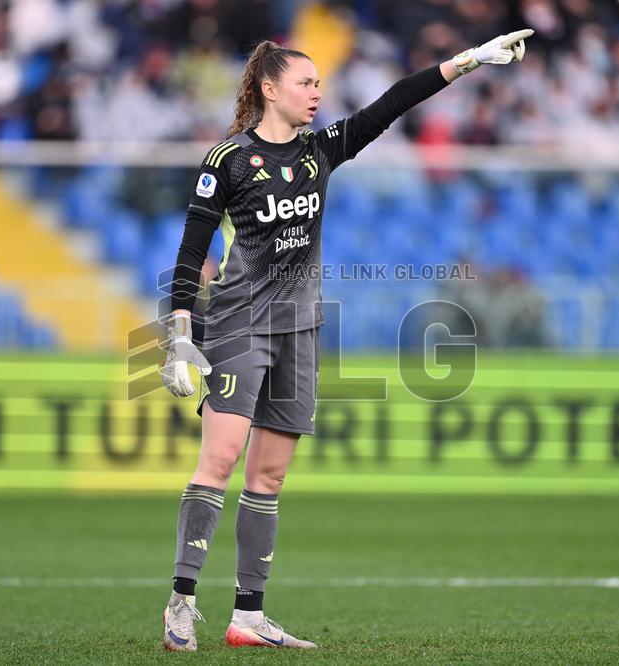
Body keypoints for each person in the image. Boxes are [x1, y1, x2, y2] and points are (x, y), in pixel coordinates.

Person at [159, 29, 533, 652]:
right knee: (219, 461)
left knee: (269, 478)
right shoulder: (226, 161)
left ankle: (247, 615)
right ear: (269, 89)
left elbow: (391, 104)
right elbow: (190, 251)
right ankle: (181, 600)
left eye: (318, 83)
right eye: (305, 83)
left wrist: (467, 62)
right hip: (238, 325)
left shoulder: (318, 152)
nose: (316, 93)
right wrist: (176, 335)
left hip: (301, 331)